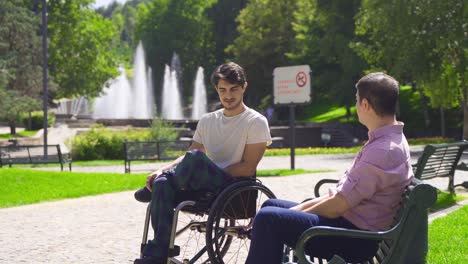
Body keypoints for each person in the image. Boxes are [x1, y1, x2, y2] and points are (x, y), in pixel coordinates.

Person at [245, 72, 414, 263]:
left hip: (355, 239)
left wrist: (296, 214)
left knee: (268, 219)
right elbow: (339, 197)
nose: (357, 106)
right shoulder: (390, 140)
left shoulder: (382, 151)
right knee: (270, 207)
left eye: (357, 101)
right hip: (350, 227)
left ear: (365, 105)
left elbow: (338, 205)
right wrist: (296, 213)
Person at [133, 62, 272, 264]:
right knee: (165, 181)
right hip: (201, 185)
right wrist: (162, 170)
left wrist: (206, 168)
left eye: (234, 89)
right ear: (216, 90)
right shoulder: (208, 120)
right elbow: (189, 154)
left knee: (197, 160)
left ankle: (159, 186)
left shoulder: (256, 121)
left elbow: (247, 167)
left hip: (232, 187)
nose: (228, 95)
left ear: (244, 87)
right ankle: (158, 253)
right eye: (222, 90)